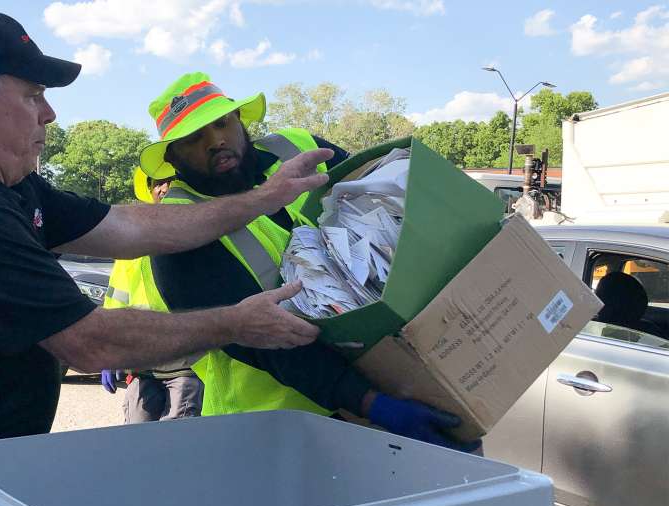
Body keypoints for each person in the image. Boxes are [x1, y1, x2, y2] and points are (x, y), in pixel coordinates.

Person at [0, 12, 332, 506]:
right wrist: (237, 322)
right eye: (34, 95)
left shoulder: (5, 185)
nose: (49, 113)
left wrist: (263, 198)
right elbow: (91, 342)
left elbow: (127, 226)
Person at [135, 72, 481, 451]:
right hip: (268, 426)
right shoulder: (175, 229)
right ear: (172, 158)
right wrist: (373, 403)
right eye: (194, 138)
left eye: (222, 123)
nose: (216, 140)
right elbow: (259, 338)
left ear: (240, 121)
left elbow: (386, 200)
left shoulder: (296, 149)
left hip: (382, 387)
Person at [100, 169, 204, 423]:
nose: (163, 188)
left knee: (176, 447)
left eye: (171, 181)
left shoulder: (201, 234)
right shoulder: (130, 238)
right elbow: (116, 299)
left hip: (188, 367)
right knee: (134, 445)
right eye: (157, 183)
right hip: (142, 366)